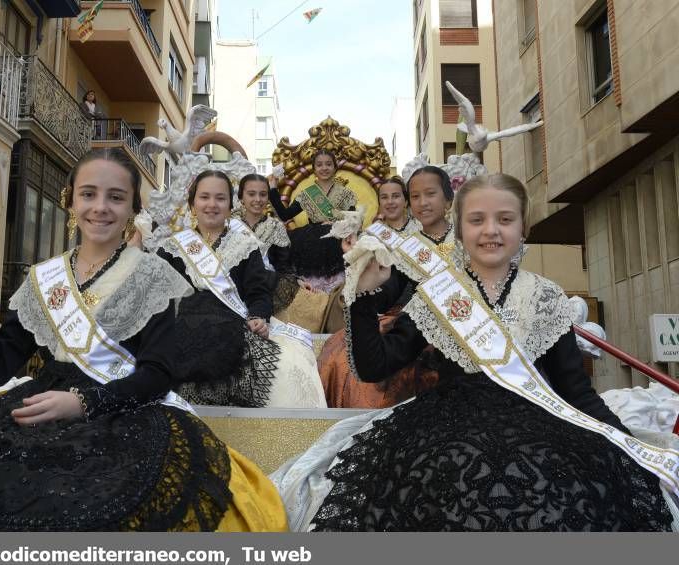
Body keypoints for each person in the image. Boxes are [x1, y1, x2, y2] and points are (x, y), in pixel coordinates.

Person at [0, 148, 287, 531]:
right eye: (88, 194)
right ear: (71, 201)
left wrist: (83, 403)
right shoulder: (44, 278)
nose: (100, 207)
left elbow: (159, 374)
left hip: (122, 411)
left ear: (131, 208)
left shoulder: (154, 276)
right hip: (39, 406)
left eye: (115, 197)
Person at [274, 173, 674, 531]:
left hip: (540, 429)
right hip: (446, 429)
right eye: (477, 220)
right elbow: (375, 366)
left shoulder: (546, 296)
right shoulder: (436, 294)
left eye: (505, 219)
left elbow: (576, 391)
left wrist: (626, 445)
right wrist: (362, 296)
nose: (491, 231)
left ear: (523, 227)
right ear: (460, 229)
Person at [158, 170, 325, 409]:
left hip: (231, 327)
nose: (212, 205)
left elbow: (258, 292)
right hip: (180, 329)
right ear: (193, 203)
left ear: (230, 205)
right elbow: (158, 296)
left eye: (220, 198)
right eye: (204, 197)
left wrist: (259, 316)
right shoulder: (172, 248)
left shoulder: (245, 246)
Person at [317, 175, 450, 408]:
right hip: (409, 318)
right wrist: (364, 284)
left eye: (430, 194)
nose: (422, 203)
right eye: (416, 196)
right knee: (340, 353)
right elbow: (391, 284)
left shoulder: (466, 239)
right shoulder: (406, 243)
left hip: (453, 332)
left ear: (448, 200)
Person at [268, 149, 357, 291]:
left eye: (328, 164)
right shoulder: (307, 194)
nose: (324, 168)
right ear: (314, 169)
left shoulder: (346, 193)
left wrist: (336, 223)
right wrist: (273, 188)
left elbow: (354, 219)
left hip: (338, 239)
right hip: (312, 241)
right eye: (319, 165)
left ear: (335, 167)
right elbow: (285, 215)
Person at [231, 173, 293, 307]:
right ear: (241, 197)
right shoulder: (229, 225)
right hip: (231, 290)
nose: (258, 199)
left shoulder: (276, 227)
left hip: (264, 290)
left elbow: (283, 267)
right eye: (251, 194)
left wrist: (295, 281)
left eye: (263, 194)